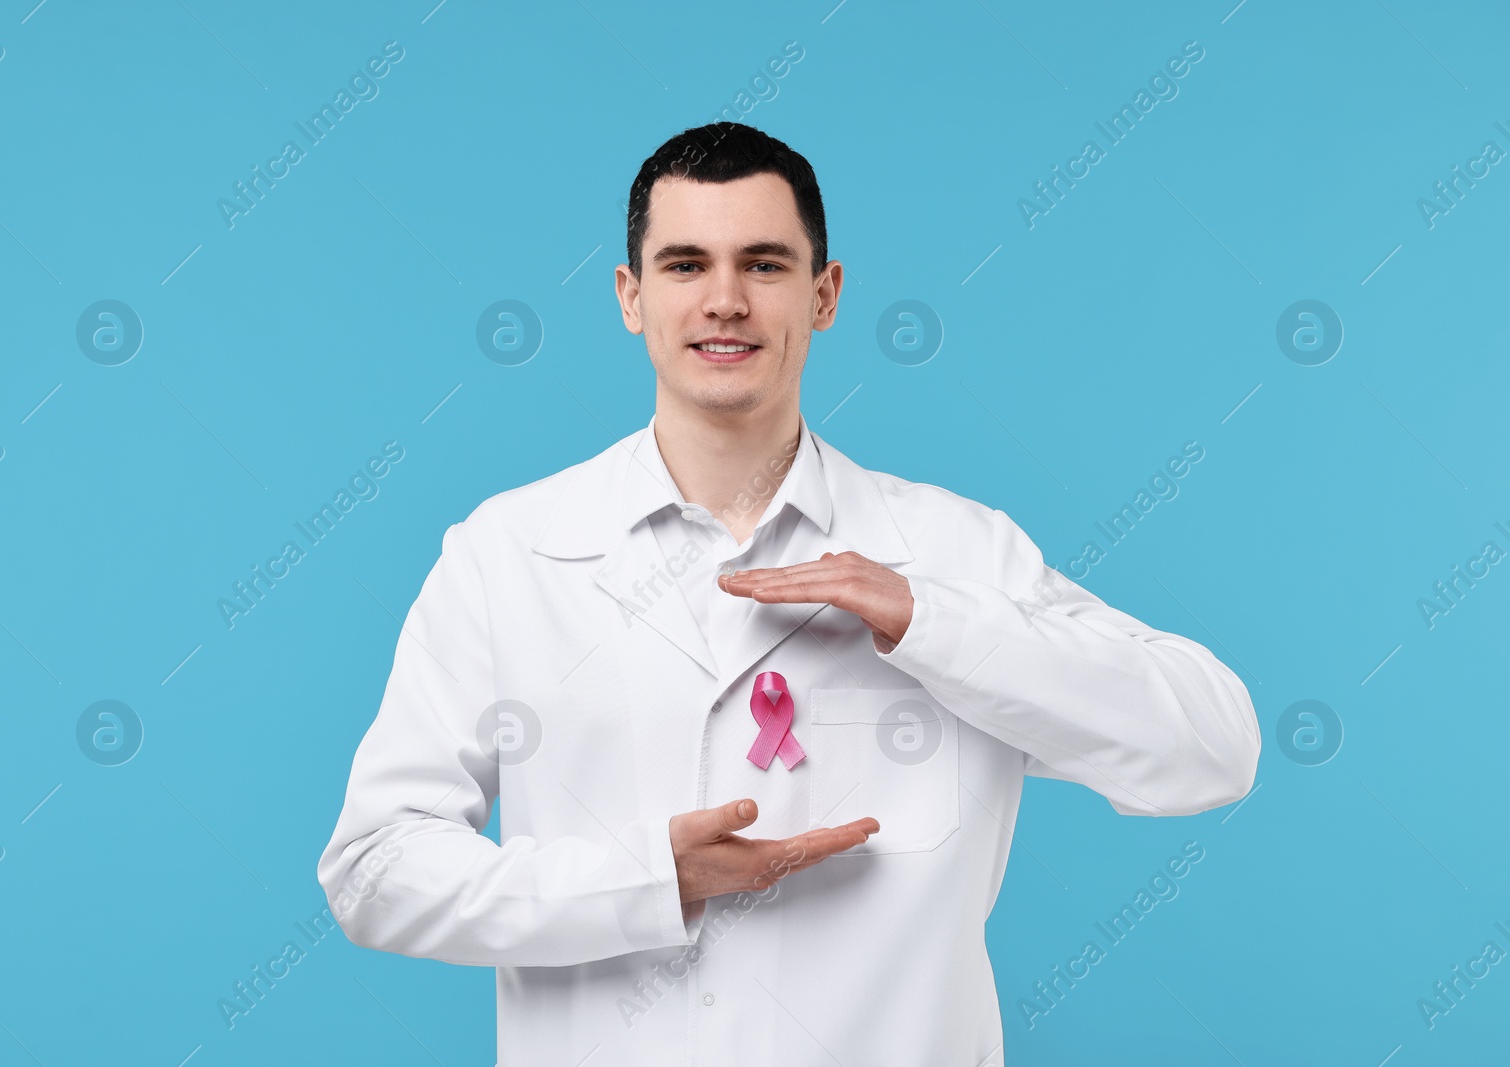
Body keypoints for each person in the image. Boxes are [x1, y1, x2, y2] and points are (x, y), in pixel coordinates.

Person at [317, 122, 1260, 1066]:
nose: (724, 301)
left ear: (824, 295)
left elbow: (1213, 748)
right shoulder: (511, 553)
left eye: (764, 265)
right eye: (686, 264)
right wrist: (646, 883)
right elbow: (373, 869)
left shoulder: (951, 550)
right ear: (631, 297)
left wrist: (931, 620)